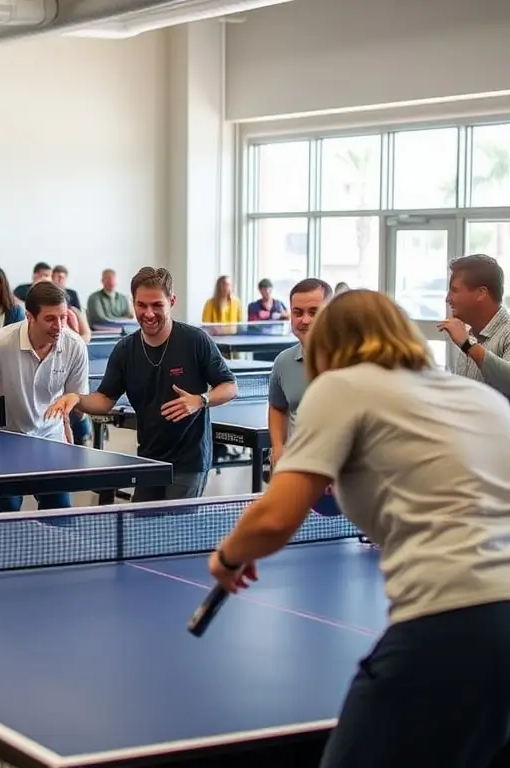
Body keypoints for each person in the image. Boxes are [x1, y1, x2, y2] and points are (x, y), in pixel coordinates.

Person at [207, 289, 510, 768]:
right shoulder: (479, 398)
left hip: (452, 617)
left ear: (330, 344)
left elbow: (275, 517)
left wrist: (227, 557)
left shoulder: (344, 386)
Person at [48, 267, 238, 500]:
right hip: (149, 458)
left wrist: (200, 400)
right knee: (144, 531)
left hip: (190, 461)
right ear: (133, 303)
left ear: (172, 301)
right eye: (142, 305)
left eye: (157, 305)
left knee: (176, 531)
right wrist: (77, 398)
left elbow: (230, 386)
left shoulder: (195, 340)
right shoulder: (125, 350)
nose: (148, 313)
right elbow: (105, 400)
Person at [0, 281, 88, 512]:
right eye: (50, 318)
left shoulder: (75, 346)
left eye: (62, 317)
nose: (59, 325)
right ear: (30, 316)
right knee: (6, 519)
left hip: (51, 440)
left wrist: (70, 418)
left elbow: (74, 395)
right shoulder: (0, 341)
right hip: (7, 442)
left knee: (59, 515)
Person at [267, 278, 332, 469]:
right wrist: (277, 446)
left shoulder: (351, 362)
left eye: (314, 312)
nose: (305, 320)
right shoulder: (283, 362)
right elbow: (278, 407)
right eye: (297, 312)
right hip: (298, 469)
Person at [439, 253, 510, 399]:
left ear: (481, 293)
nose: (448, 298)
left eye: (455, 290)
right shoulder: (470, 335)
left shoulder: (506, 332)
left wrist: (468, 346)